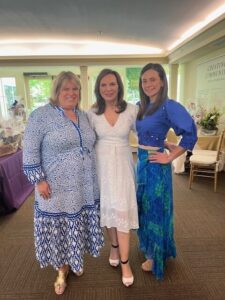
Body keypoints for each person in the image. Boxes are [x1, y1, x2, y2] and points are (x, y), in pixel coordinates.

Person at [23, 71, 104, 295]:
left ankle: (74, 260)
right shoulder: (41, 116)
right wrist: (38, 181)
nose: (71, 93)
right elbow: (29, 152)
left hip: (83, 186)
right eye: (65, 89)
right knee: (59, 229)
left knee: (75, 226)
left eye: (75, 89)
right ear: (56, 91)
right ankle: (61, 270)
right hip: (55, 189)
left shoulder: (84, 116)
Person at [136, 63, 197, 280]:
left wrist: (170, 156)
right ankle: (149, 245)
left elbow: (190, 133)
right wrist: (164, 141)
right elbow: (147, 132)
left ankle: (155, 255)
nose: (148, 84)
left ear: (162, 81)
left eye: (153, 79)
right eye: (144, 80)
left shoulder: (169, 106)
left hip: (156, 164)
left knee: (155, 208)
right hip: (141, 162)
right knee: (142, 206)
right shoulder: (141, 106)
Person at [87, 69, 139, 287]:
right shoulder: (91, 113)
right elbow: (85, 141)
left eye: (112, 84)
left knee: (122, 210)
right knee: (108, 209)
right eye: (103, 85)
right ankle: (114, 247)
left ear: (119, 86)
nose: (108, 89)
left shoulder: (132, 110)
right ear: (98, 89)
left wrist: (164, 145)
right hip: (102, 166)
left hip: (124, 167)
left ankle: (126, 263)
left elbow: (145, 134)